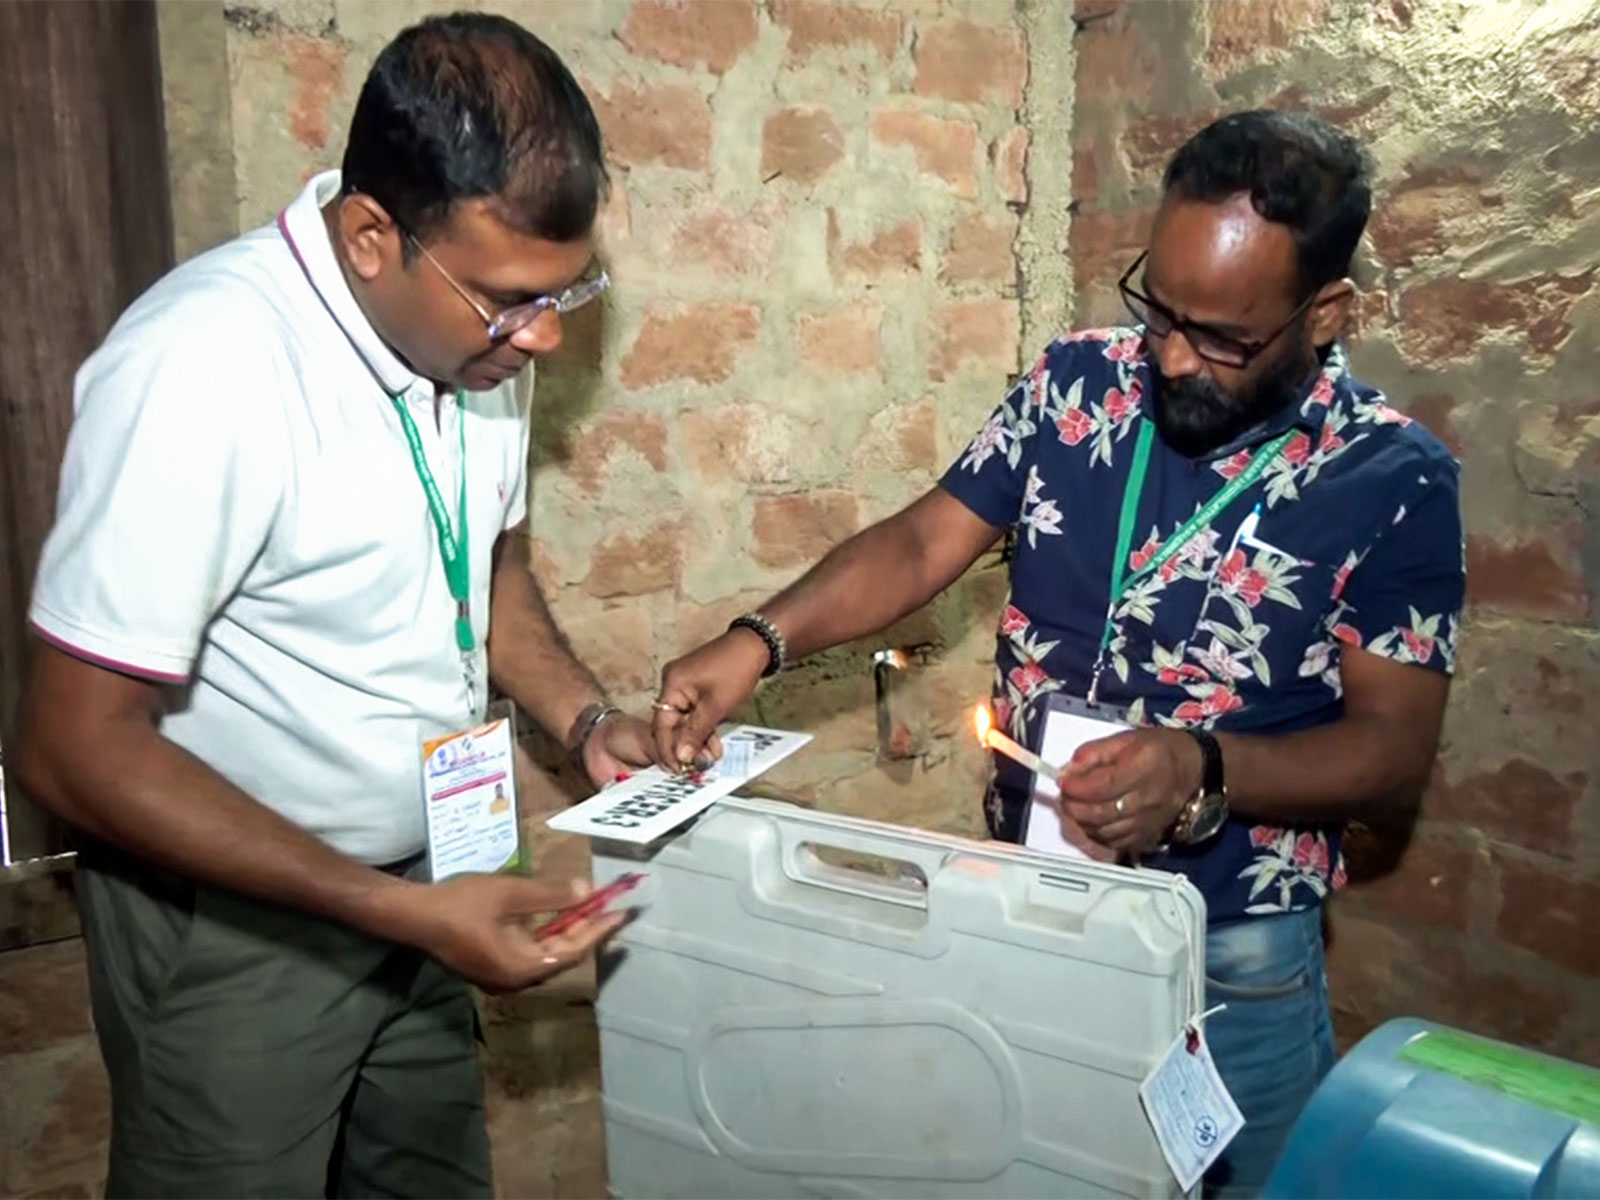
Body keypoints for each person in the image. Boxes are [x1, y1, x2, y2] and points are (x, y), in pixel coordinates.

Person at [652, 110, 1464, 1196]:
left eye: (1220, 337)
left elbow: (1388, 754)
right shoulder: (1078, 383)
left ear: (1325, 314)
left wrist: (1206, 766)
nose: (1171, 356)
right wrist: (757, 641)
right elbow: (919, 540)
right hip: (1030, 906)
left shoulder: (1391, 478)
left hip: (1230, 952)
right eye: (1158, 310)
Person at [13, 13, 656, 1198]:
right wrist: (398, 914)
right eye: (514, 300)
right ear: (372, 236)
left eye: (565, 293)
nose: (548, 336)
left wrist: (580, 721)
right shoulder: (202, 369)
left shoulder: (472, 345)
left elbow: (487, 573)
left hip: (424, 884)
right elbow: (65, 746)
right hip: (239, 923)